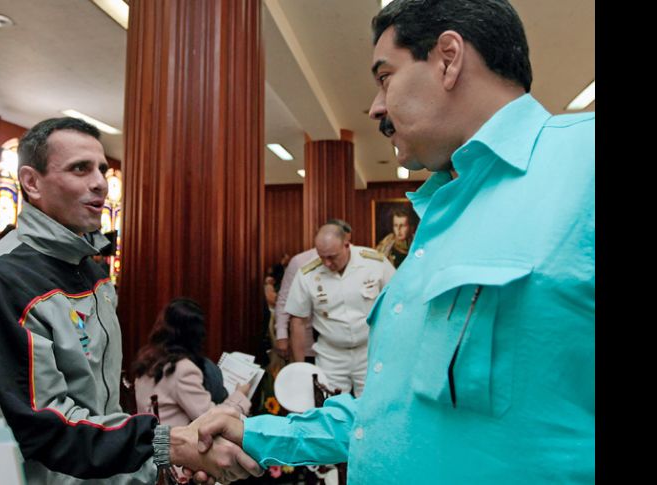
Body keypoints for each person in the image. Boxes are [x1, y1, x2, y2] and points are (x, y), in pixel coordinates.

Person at [193, 0, 595, 483]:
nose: (376, 107)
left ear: (448, 58)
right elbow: (392, 413)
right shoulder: (442, 215)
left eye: (385, 77)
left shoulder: (582, 162)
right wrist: (257, 434)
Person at [0, 117, 261, 484]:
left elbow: (99, 407)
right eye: (80, 169)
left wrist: (156, 465)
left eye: (101, 168)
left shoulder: (93, 273)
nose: (99, 182)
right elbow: (38, 428)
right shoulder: (0, 279)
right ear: (32, 182)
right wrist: (168, 445)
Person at [286, 222, 395, 396]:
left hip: (370, 350)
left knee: (373, 404)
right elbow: (297, 321)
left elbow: (397, 304)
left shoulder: (374, 262)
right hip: (331, 354)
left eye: (332, 257)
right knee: (331, 408)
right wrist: (300, 368)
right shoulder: (307, 274)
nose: (327, 263)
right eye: (322, 257)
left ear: (346, 244)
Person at [133, 297, 252, 426]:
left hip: (150, 440)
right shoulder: (182, 369)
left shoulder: (149, 359)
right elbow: (210, 418)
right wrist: (239, 396)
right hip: (168, 443)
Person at [272, 219, 353, 362]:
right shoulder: (301, 262)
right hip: (307, 344)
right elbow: (284, 299)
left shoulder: (358, 263)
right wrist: (282, 335)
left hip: (345, 347)